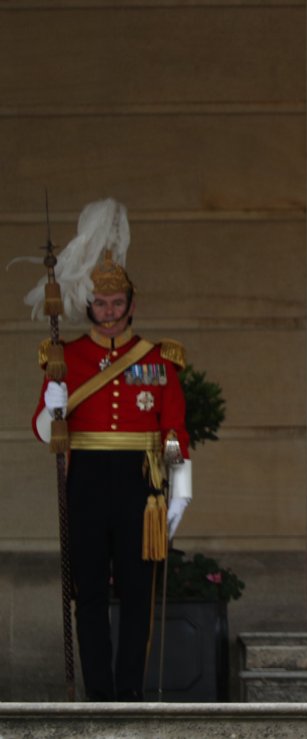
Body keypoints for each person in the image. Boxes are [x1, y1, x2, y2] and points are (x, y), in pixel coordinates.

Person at [28, 199, 192, 701]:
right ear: (88, 306)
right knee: (90, 592)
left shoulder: (159, 358)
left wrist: (180, 491)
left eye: (118, 303)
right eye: (101, 305)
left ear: (130, 304)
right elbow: (41, 432)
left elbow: (176, 430)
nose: (110, 313)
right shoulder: (66, 356)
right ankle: (99, 695)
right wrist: (53, 406)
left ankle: (129, 695)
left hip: (140, 483)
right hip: (89, 479)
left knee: (138, 594)